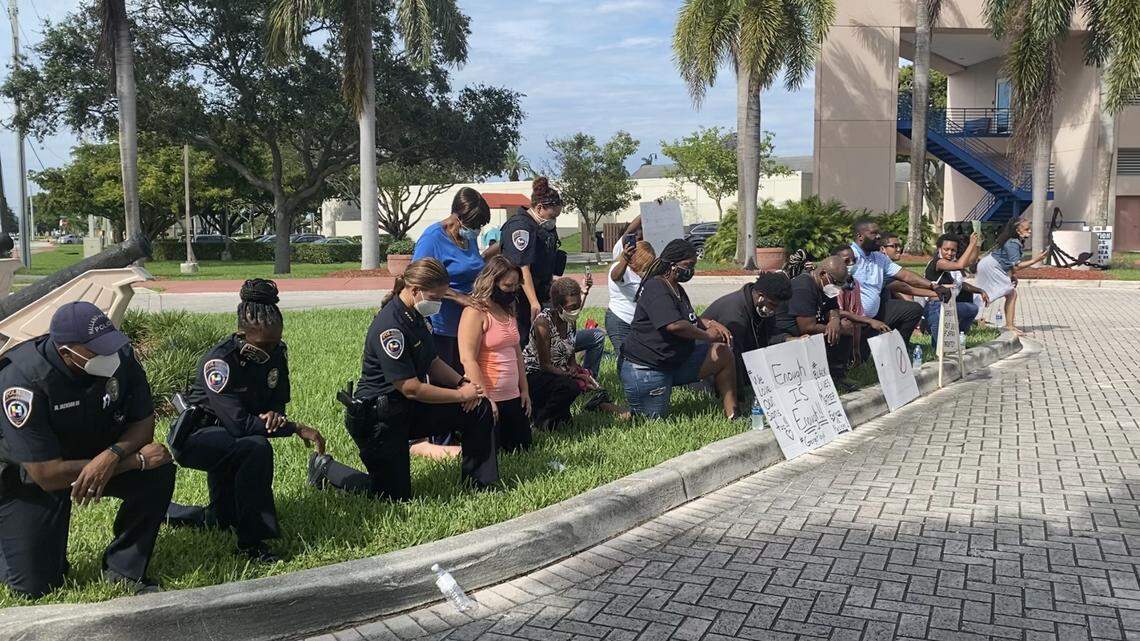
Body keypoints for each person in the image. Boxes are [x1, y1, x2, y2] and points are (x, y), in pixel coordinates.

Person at [0, 302, 175, 597]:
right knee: (35, 586)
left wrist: (112, 456)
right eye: (96, 350)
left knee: (157, 469)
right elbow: (47, 474)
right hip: (29, 477)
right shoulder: (23, 381)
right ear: (66, 351)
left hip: (95, 454)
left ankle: (124, 569)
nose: (109, 355)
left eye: (109, 345)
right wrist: (132, 462)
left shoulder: (119, 356)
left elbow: (143, 423)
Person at [166, 280, 326, 563]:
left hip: (230, 437)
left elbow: (278, 396)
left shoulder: (277, 352)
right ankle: (252, 544)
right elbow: (239, 425)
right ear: (242, 334)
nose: (270, 349)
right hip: (198, 436)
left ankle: (171, 512)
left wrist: (276, 414)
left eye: (275, 342)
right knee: (256, 447)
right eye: (263, 343)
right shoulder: (219, 363)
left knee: (222, 518)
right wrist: (294, 428)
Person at [314, 259, 498, 501]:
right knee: (392, 496)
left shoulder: (416, 316)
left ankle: (481, 485)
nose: (439, 303)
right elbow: (411, 388)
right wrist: (460, 396)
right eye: (435, 297)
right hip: (380, 418)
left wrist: (462, 384)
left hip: (409, 409)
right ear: (414, 290)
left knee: (479, 408)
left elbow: (432, 361)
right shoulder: (391, 328)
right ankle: (325, 468)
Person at [619, 240, 738, 419]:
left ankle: (733, 413)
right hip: (647, 367)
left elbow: (689, 318)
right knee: (648, 419)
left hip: (674, 362)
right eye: (688, 265)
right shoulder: (656, 287)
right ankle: (605, 406)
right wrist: (707, 335)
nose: (691, 271)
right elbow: (674, 325)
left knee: (723, 353)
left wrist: (711, 323)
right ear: (673, 264)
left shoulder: (677, 289)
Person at [524, 278, 627, 430]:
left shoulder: (569, 320)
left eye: (578, 306)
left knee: (588, 385)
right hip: (536, 373)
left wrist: (574, 367)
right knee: (571, 387)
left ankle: (597, 405)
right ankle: (539, 420)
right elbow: (544, 365)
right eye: (572, 307)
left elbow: (570, 354)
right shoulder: (543, 324)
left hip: (559, 372)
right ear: (559, 307)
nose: (576, 311)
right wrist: (573, 375)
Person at [410, 188, 491, 369]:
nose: (477, 230)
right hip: (443, 325)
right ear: (458, 218)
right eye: (474, 225)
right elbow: (418, 277)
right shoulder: (432, 238)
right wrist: (458, 297)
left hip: (470, 321)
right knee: (448, 378)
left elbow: (471, 266)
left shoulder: (467, 238)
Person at [458, 257, 532, 452]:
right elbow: (467, 358)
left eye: (516, 285)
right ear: (492, 282)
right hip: (490, 396)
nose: (512, 290)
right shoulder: (475, 312)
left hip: (513, 396)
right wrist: (485, 398)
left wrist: (524, 390)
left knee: (522, 449)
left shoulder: (508, 308)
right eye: (508, 285)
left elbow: (517, 353)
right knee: (492, 450)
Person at [772, 257, 887, 381]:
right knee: (844, 329)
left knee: (845, 325)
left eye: (841, 284)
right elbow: (807, 327)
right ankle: (832, 375)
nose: (838, 287)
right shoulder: (803, 287)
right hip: (790, 334)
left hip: (810, 327)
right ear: (822, 274)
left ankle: (838, 374)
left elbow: (834, 309)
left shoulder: (824, 286)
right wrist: (838, 329)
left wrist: (834, 320)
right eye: (836, 283)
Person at [701, 272, 794, 408]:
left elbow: (769, 336)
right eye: (773, 305)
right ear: (760, 296)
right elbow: (733, 356)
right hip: (707, 371)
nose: (774, 310)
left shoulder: (762, 305)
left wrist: (788, 339)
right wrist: (740, 398)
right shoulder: (734, 314)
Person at [849, 219, 944, 353]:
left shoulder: (878, 257)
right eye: (873, 233)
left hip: (875, 314)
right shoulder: (850, 255)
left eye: (879, 233)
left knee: (913, 310)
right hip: (852, 317)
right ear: (860, 236)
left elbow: (905, 276)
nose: (878, 237)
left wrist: (933, 286)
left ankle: (898, 351)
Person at [501, 177, 564, 346]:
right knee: (524, 340)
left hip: (542, 291)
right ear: (539, 208)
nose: (554, 220)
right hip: (523, 297)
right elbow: (523, 268)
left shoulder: (543, 226)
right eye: (552, 216)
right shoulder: (521, 226)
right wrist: (534, 302)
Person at [975, 218, 1048, 336]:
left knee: (1008, 293)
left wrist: (1012, 275)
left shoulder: (1014, 241)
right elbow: (1017, 264)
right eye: (1027, 229)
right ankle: (1006, 325)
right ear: (1017, 230)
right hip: (992, 267)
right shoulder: (1013, 243)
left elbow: (1010, 263)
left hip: (991, 265)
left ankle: (1006, 324)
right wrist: (1036, 260)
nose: (1029, 231)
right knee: (1002, 292)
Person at [923, 233, 989, 349]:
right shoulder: (938, 262)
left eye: (953, 250)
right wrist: (972, 243)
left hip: (949, 305)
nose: (949, 253)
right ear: (939, 249)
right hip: (936, 307)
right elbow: (961, 265)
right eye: (946, 249)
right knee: (940, 348)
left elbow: (963, 279)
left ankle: (959, 337)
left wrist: (980, 290)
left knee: (972, 309)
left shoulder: (950, 264)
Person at [606, 239, 656, 358]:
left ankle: (606, 355)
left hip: (638, 323)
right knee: (625, 358)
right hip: (620, 320)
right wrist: (625, 258)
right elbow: (615, 277)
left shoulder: (643, 275)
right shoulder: (622, 269)